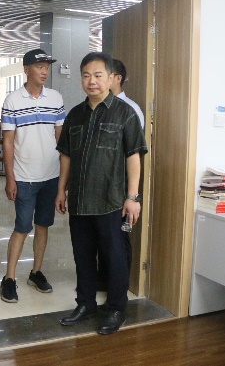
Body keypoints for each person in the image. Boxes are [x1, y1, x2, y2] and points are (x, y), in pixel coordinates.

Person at [55, 52, 148, 335]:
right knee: (82, 256)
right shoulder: (75, 114)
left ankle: (117, 309)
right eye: (86, 75)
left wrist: (133, 197)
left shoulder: (125, 113)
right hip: (80, 199)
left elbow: (134, 157)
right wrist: (61, 190)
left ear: (110, 78)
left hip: (111, 200)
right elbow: (66, 156)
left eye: (97, 75)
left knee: (114, 257)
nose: (91, 81)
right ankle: (85, 304)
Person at [0, 48, 66, 303]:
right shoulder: (13, 101)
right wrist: (10, 178)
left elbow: (61, 140)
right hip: (24, 176)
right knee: (22, 227)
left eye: (46, 67)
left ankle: (36, 272)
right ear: (26, 69)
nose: (44, 71)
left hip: (51, 176)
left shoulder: (55, 98)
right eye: (39, 66)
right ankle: (9, 278)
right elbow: (8, 143)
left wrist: (63, 180)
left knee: (43, 226)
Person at [95, 59, 146, 292]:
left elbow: (133, 152)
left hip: (122, 184)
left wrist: (131, 194)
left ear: (116, 78)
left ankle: (119, 287)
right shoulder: (98, 106)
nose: (98, 81)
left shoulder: (130, 109)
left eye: (104, 75)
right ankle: (103, 279)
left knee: (119, 236)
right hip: (101, 182)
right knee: (102, 234)